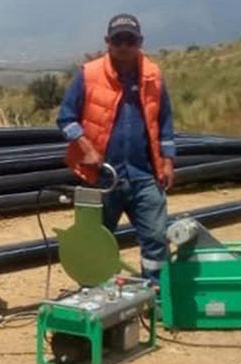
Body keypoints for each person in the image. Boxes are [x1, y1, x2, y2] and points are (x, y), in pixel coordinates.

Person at [57, 14, 176, 282]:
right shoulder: (89, 75)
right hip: (102, 178)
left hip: (145, 176)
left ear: (140, 42)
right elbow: (65, 119)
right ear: (107, 41)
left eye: (129, 40)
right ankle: (95, 292)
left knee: (156, 238)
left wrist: (168, 161)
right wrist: (86, 148)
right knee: (95, 241)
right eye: (118, 40)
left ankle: (155, 292)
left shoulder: (153, 76)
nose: (123, 46)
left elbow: (165, 121)